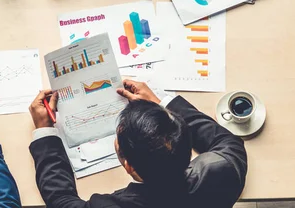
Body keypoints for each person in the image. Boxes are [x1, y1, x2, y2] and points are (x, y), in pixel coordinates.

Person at [28, 80, 248, 208]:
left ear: (129, 165)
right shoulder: (223, 171)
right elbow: (228, 141)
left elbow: (60, 200)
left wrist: (45, 131)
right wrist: (161, 106)